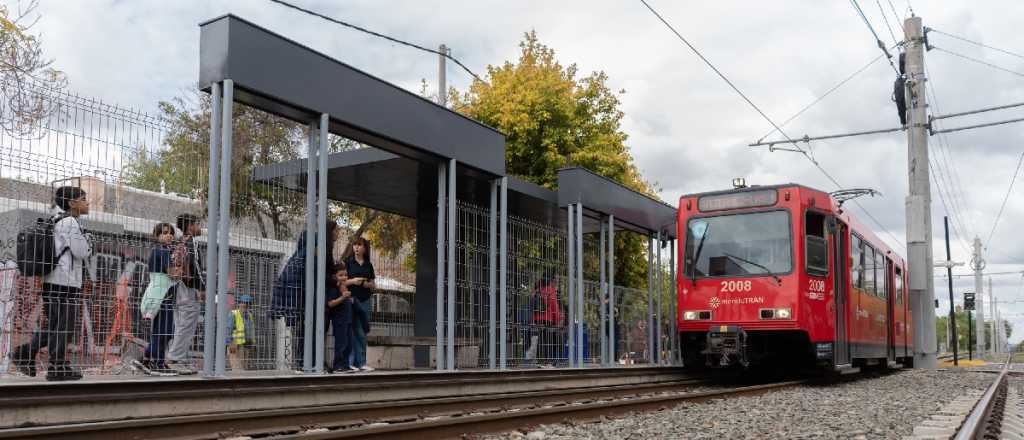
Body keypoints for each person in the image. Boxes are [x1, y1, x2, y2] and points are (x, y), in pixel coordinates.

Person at [11, 186, 93, 381]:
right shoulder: (70, 222)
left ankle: (25, 353)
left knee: (56, 326)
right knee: (64, 327)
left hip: (53, 282)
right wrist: (89, 239)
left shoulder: (57, 221)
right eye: (83, 199)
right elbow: (82, 251)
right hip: (66, 283)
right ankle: (57, 367)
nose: (87, 202)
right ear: (72, 203)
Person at [270, 221, 341, 371]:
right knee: (312, 331)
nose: (338, 234)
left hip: (315, 300)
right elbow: (319, 278)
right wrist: (335, 279)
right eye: (336, 231)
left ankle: (309, 361)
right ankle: (307, 362)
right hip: (314, 301)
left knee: (311, 331)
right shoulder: (311, 259)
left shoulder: (305, 258)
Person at [134, 223, 180, 376]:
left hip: (163, 296)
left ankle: (148, 359)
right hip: (163, 297)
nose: (169, 236)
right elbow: (174, 273)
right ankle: (155, 362)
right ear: (157, 235)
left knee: (163, 332)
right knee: (163, 332)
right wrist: (179, 269)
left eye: (171, 233)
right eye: (165, 233)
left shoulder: (164, 250)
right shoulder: (162, 251)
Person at [166, 214, 205, 375]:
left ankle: (178, 358)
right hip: (188, 289)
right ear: (190, 226)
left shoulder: (179, 241)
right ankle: (175, 358)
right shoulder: (191, 242)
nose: (200, 228)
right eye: (198, 224)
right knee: (187, 324)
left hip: (178, 288)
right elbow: (195, 267)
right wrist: (202, 288)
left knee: (181, 324)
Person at [343, 237, 375, 372]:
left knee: (361, 332)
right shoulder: (348, 263)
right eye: (355, 245)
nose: (356, 247)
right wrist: (353, 281)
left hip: (365, 301)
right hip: (351, 300)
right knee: (350, 330)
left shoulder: (369, 265)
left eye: (359, 245)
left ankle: (361, 362)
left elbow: (373, 285)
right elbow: (341, 282)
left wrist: (365, 284)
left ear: (365, 248)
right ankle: (350, 363)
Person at [325, 262, 354, 373]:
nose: (344, 277)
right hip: (339, 321)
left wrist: (349, 299)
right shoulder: (334, 289)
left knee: (348, 344)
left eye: (345, 275)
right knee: (340, 344)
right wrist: (343, 297)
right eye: (341, 275)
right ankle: (337, 366)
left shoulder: (344, 288)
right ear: (334, 276)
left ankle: (345, 365)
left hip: (348, 320)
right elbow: (330, 304)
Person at [531, 273, 562, 367]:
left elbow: (532, 305)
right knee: (548, 340)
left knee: (541, 339)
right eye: (554, 279)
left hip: (537, 319)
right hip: (548, 319)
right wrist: (557, 320)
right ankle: (548, 362)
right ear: (550, 280)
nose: (556, 281)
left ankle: (540, 361)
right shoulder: (550, 290)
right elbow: (554, 307)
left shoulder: (536, 290)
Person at [226, 294, 255, 372]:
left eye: (247, 304)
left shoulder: (249, 315)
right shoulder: (233, 314)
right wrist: (229, 343)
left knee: (244, 367)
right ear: (239, 304)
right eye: (243, 303)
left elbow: (251, 330)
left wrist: (252, 343)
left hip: (246, 344)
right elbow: (228, 329)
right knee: (236, 367)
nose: (245, 305)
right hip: (234, 345)